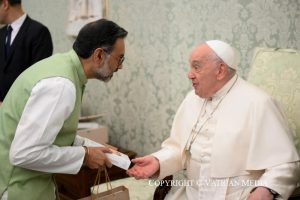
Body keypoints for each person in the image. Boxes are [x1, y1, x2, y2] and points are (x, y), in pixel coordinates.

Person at [127, 40, 300, 200]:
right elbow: (178, 148)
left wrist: (265, 190)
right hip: (191, 194)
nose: (189, 74)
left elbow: (285, 165)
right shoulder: (191, 99)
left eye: (196, 67)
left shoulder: (259, 103)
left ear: (220, 70)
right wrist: (158, 161)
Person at [0, 18, 128, 200]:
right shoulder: (61, 85)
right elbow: (24, 153)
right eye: (120, 58)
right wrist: (85, 155)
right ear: (99, 55)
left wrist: (92, 147)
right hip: (16, 188)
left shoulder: (62, 67)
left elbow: (49, 134)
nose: (121, 66)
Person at [0, 0, 53, 102]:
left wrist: (10, 105)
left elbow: (39, 77)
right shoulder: (1, 34)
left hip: (24, 109)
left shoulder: (39, 32)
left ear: (5, 4)